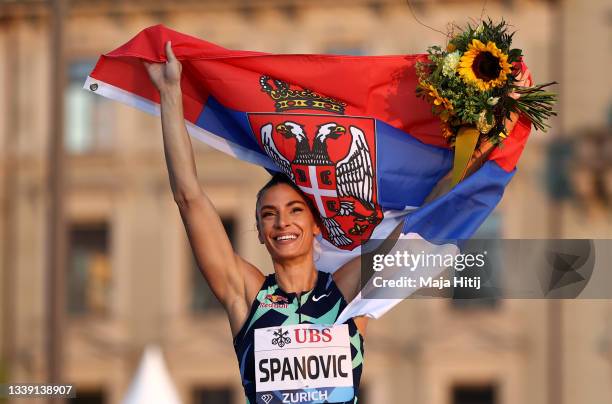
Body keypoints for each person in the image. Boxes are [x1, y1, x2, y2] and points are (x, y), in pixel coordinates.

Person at [145, 41, 367, 404]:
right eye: (269, 214)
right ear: (261, 233)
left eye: (295, 210)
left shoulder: (347, 294)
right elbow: (189, 198)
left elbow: (421, 231)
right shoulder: (248, 295)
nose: (282, 222)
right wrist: (171, 95)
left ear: (316, 225)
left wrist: (476, 154)